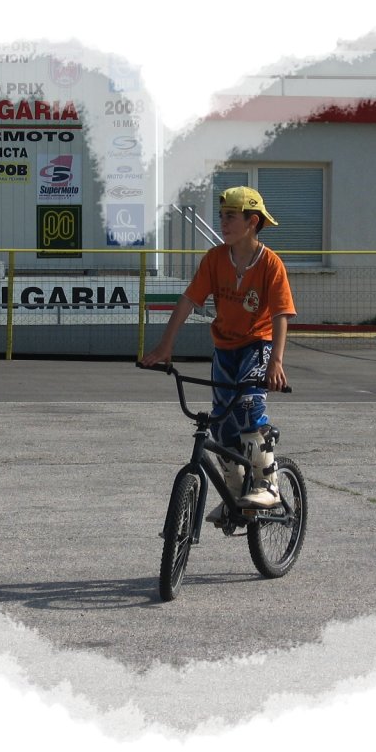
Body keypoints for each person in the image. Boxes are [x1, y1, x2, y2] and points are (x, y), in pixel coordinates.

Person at [141, 186, 296, 518]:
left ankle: (268, 483)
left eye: (231, 217)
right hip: (225, 347)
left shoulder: (270, 264)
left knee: (249, 405)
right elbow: (188, 301)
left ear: (252, 222)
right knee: (221, 424)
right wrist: (166, 345)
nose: (223, 223)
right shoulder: (214, 259)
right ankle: (235, 493)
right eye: (222, 216)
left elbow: (281, 314)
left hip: (258, 344)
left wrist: (277, 361)